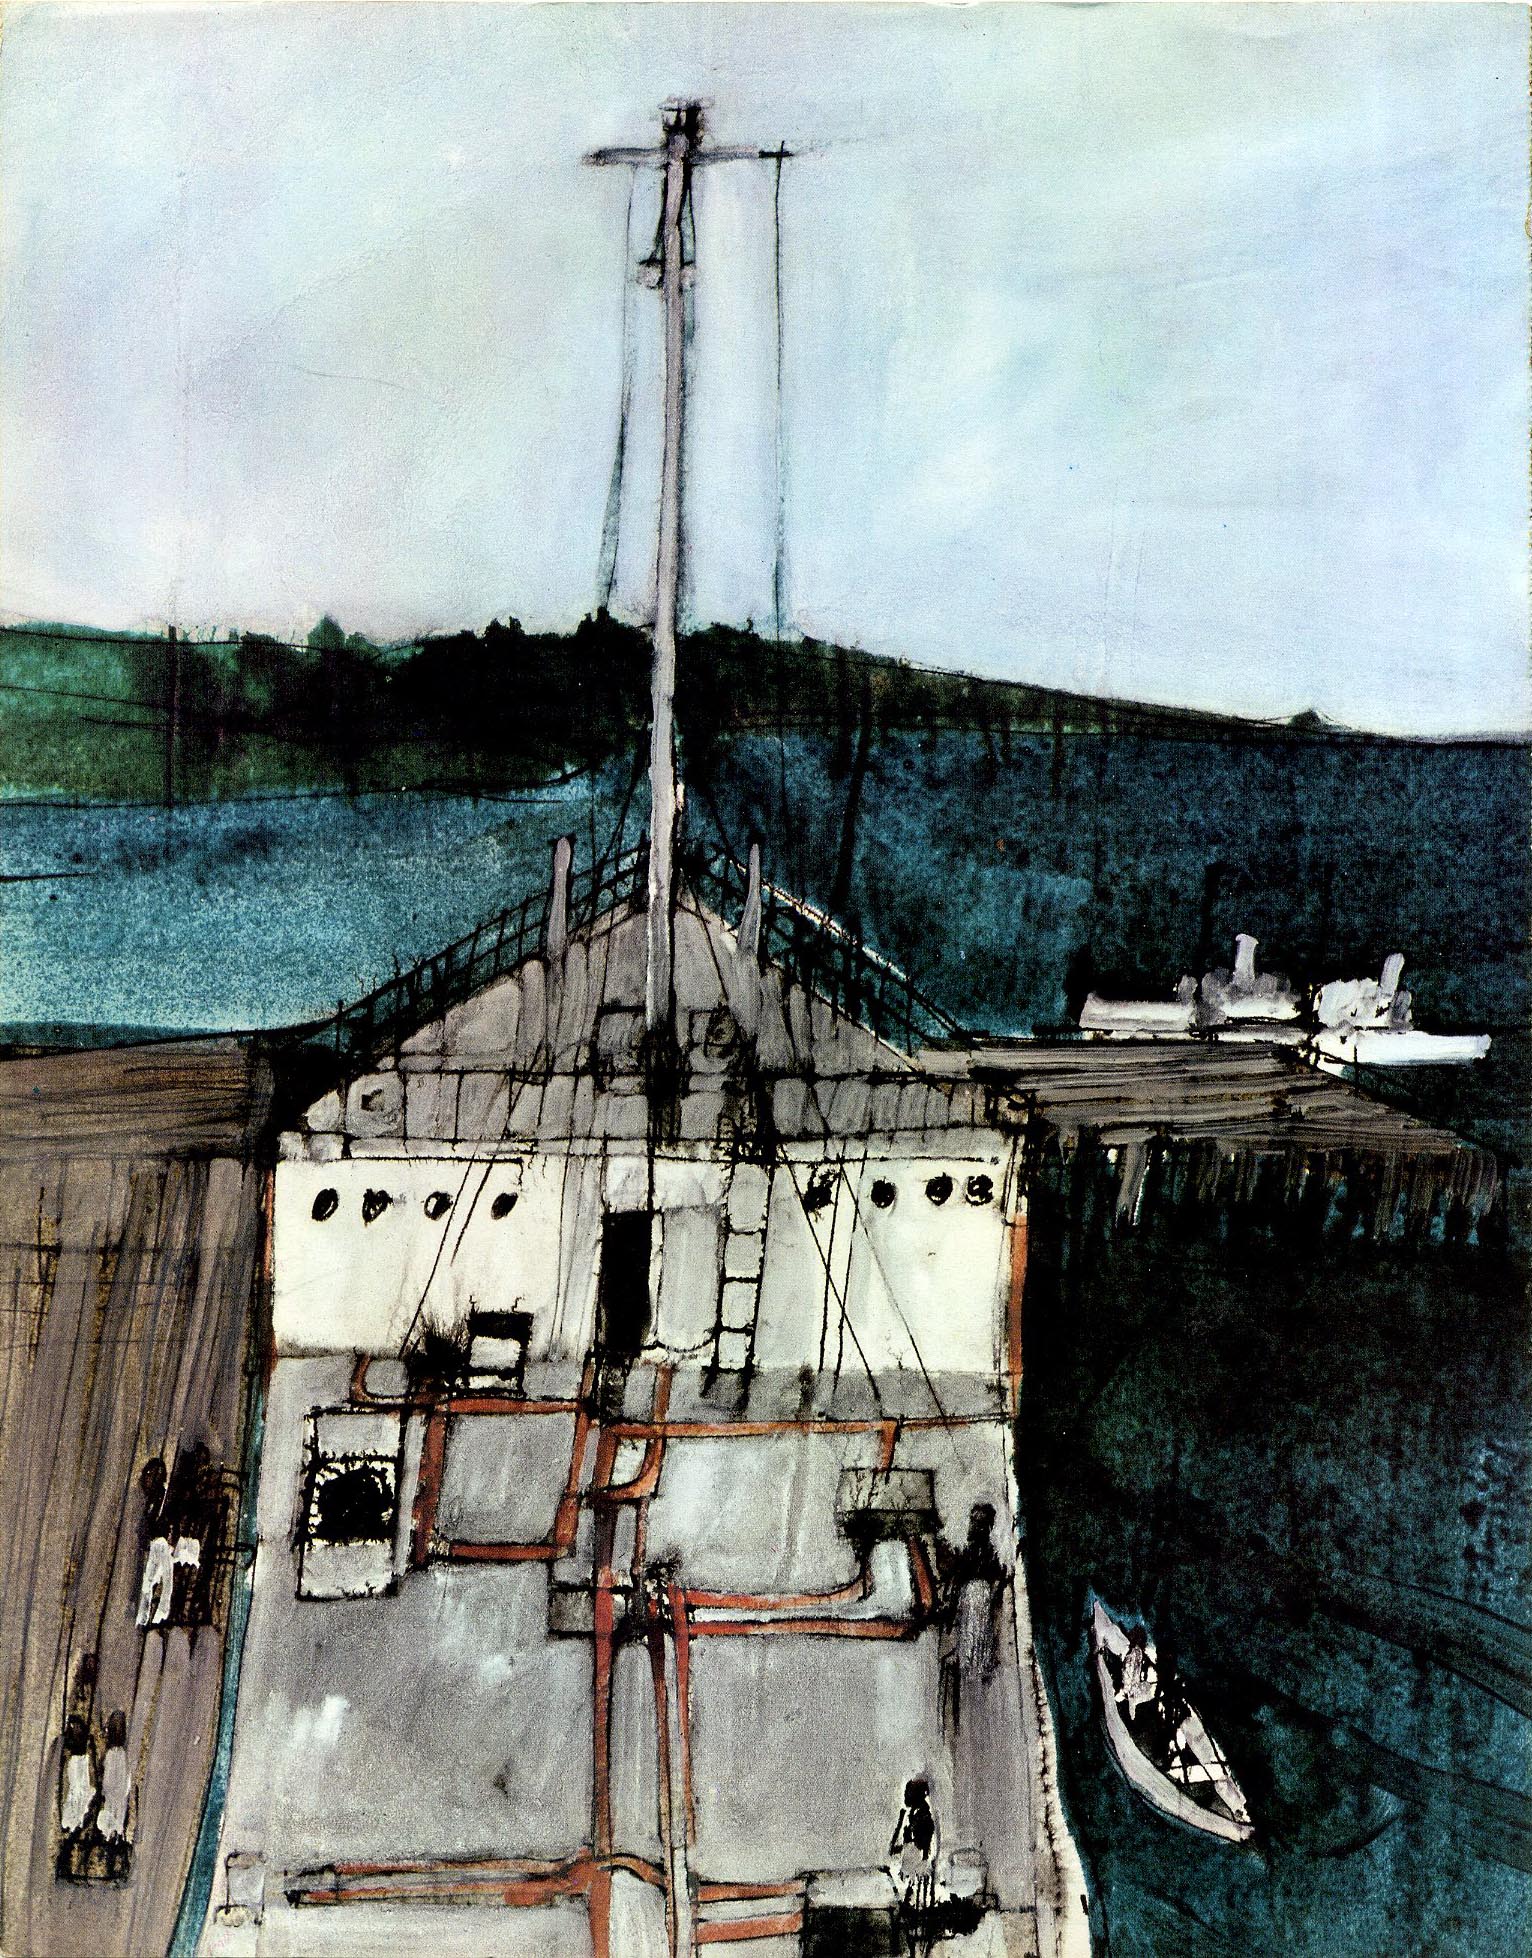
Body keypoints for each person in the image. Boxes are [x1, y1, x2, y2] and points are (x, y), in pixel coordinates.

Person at [888, 1776, 939, 1916]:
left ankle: (907, 1906)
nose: (905, 1796)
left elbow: (921, 1846)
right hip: (911, 1860)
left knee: (900, 1879)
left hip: (916, 1862)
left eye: (908, 1792)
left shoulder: (923, 1817)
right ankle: (906, 1905)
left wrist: (902, 1845)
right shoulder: (911, 1814)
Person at [56, 1715, 97, 1881]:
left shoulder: (83, 1758)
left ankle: (69, 1861)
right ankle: (66, 1861)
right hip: (76, 1792)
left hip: (80, 1792)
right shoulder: (74, 1758)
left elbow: (84, 1781)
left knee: (76, 1826)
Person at [98, 1710, 132, 1881]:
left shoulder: (114, 1755)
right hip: (116, 1797)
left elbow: (111, 1779)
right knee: (114, 1822)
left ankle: (111, 1854)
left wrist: (106, 1790)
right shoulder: (118, 1754)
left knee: (113, 1822)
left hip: (114, 1796)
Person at [137, 1526, 175, 1629]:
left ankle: (142, 1616)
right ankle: (142, 1616)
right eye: (170, 1533)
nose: (170, 1535)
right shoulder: (162, 1546)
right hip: (149, 1574)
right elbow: (167, 1581)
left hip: (150, 1574)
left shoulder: (163, 1547)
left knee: (146, 1591)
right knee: (146, 1591)